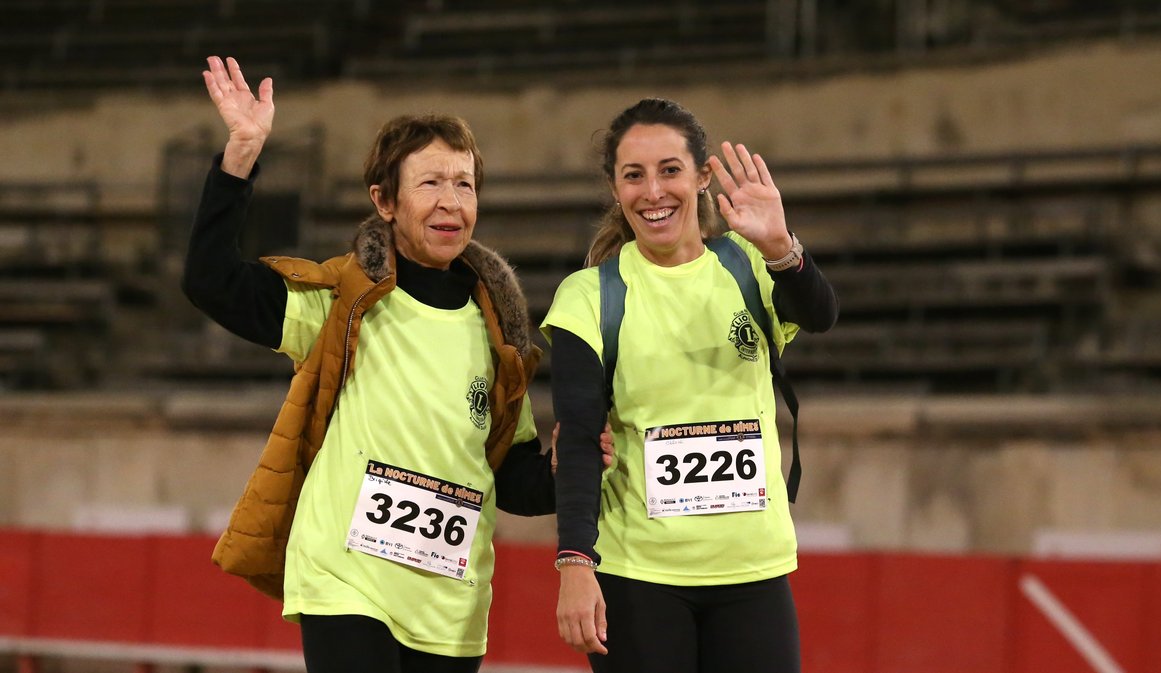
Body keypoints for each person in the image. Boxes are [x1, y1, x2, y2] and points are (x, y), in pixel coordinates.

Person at [182, 56, 609, 673]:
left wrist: (564, 465)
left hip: (449, 612)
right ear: (383, 200)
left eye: (464, 184)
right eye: (430, 183)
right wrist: (240, 158)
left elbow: (508, 480)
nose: (451, 202)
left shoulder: (503, 333)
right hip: (346, 584)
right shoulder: (342, 303)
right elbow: (210, 281)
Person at [543, 98, 839, 673]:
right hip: (639, 578)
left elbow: (821, 313)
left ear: (703, 177)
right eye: (634, 175)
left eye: (670, 170)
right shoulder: (588, 296)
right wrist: (575, 564)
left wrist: (781, 245)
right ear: (615, 188)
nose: (653, 191)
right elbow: (579, 440)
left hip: (753, 571)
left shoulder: (749, 264)